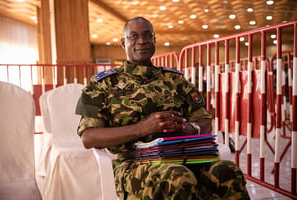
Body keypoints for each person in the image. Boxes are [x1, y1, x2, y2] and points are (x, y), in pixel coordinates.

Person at [76, 16, 249, 200]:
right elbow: (89, 137)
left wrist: (191, 128)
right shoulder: (104, 84)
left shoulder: (175, 79)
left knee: (228, 172)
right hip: (134, 163)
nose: (141, 41)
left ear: (154, 40)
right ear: (123, 42)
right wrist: (143, 128)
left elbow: (204, 118)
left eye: (147, 35)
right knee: (178, 177)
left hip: (184, 155)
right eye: (134, 36)